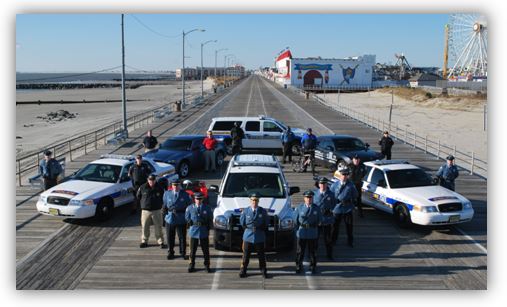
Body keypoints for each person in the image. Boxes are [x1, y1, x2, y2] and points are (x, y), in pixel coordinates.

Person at [239, 193, 269, 278]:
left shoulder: (262, 211)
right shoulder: (245, 211)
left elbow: (266, 222)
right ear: (250, 200)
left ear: (258, 201)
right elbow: (242, 223)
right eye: (252, 200)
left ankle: (263, 270)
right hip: (248, 236)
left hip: (259, 236)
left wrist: (260, 228)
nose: (254, 202)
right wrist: (249, 229)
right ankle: (243, 270)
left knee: (261, 255)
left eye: (256, 200)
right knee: (246, 255)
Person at [293, 190, 322, 274]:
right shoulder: (300, 207)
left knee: (312, 251)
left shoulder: (317, 208)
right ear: (304, 198)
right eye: (307, 197)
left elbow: (320, 220)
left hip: (312, 232)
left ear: (313, 198)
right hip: (302, 232)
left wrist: (316, 225)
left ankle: (313, 266)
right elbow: (295, 220)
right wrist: (298, 230)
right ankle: (298, 265)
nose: (309, 199)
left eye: (310, 198)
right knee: (300, 251)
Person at [163, 179, 192, 260]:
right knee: (170, 236)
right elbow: (164, 206)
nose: (175, 187)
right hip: (170, 218)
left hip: (181, 217)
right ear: (171, 186)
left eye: (177, 185)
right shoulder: (167, 194)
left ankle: (183, 252)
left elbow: (189, 207)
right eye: (174, 185)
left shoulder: (185, 195)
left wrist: (189, 219)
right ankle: (170, 252)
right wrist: (163, 219)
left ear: (180, 185)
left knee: (182, 237)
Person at [185, 192, 213, 273]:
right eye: (197, 199)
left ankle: (207, 264)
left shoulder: (207, 208)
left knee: (205, 250)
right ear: (194, 199)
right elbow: (187, 217)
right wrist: (190, 223)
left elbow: (210, 218)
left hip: (203, 231)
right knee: (192, 250)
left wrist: (208, 228)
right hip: (193, 231)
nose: (198, 200)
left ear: (203, 199)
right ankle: (191, 264)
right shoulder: (190, 208)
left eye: (200, 199)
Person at [137, 174, 166, 249]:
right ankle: (144, 241)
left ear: (155, 180)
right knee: (144, 226)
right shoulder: (142, 187)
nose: (151, 182)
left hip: (157, 210)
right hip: (145, 211)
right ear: (147, 180)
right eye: (150, 180)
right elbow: (138, 196)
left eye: (153, 180)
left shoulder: (160, 188)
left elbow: (164, 198)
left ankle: (160, 241)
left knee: (158, 226)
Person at [331, 166, 358, 248]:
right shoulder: (334, 185)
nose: (344, 176)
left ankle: (350, 241)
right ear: (340, 175)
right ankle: (333, 240)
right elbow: (331, 195)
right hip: (337, 207)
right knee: (335, 226)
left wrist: (352, 203)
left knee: (349, 226)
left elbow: (355, 195)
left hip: (347, 207)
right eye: (343, 175)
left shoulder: (351, 185)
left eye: (346, 175)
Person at [312, 177, 335, 260]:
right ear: (318, 185)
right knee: (315, 238)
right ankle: (313, 254)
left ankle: (329, 254)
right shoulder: (314, 194)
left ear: (326, 184)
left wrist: (330, 212)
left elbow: (334, 205)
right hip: (317, 220)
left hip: (327, 219)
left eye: (324, 183)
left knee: (328, 239)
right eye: (321, 184)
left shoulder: (331, 194)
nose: (323, 185)